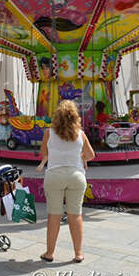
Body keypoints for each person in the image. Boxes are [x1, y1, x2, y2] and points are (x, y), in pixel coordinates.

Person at [36, 100, 95, 263]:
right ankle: (78, 253)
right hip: (76, 175)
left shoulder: (49, 133)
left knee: (54, 215)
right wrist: (81, 157)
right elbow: (91, 155)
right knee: (75, 215)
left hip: (54, 176)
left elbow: (43, 153)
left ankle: (49, 253)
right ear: (75, 117)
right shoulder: (80, 134)